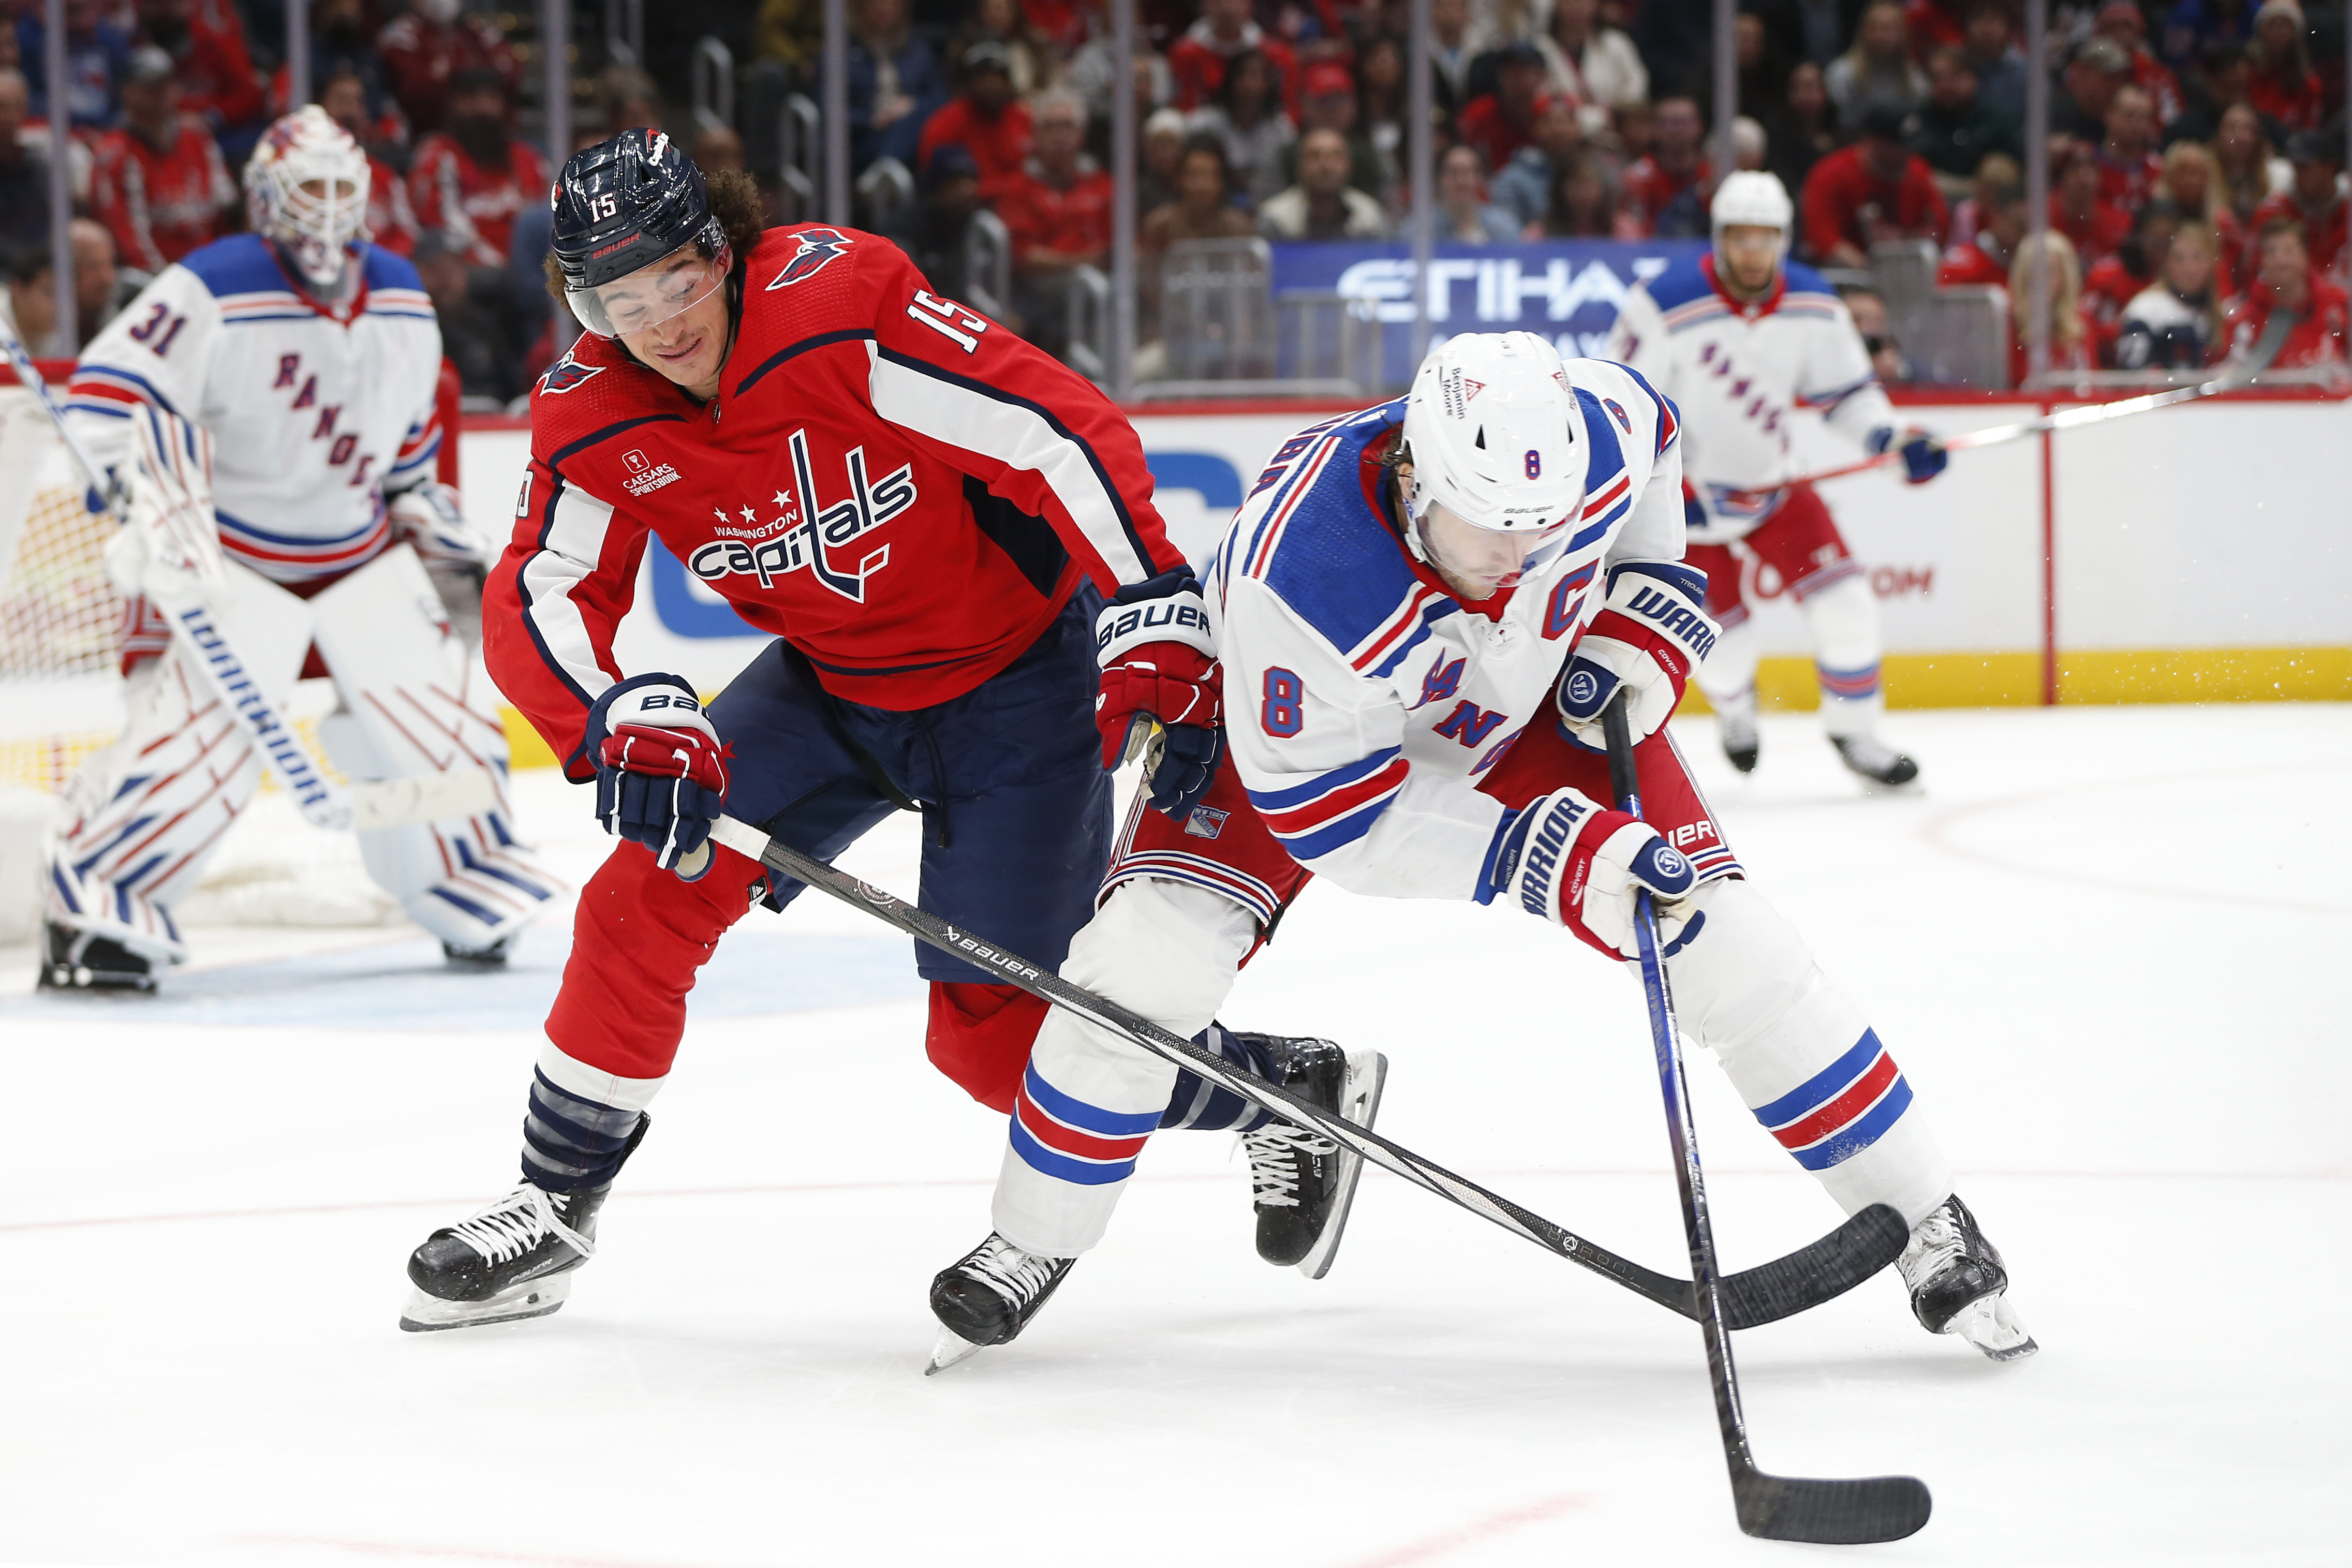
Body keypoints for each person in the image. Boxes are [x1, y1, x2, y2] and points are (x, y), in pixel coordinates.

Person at [397, 131, 1350, 1333]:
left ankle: (1275, 1088)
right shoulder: (591, 412)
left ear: (723, 247)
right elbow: (542, 586)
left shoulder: (838, 312)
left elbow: (1051, 428)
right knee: (640, 895)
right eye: (617, 298)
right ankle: (551, 1202)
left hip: (1014, 687)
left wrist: (1144, 589)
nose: (661, 320)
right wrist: (614, 709)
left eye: (681, 277)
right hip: (830, 686)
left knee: (995, 1054)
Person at [938, 326, 2035, 1366]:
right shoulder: (1305, 577)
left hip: (1523, 708)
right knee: (1139, 974)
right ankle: (1034, 1236)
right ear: (1414, 477)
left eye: (1538, 526)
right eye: (1485, 528)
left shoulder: (1590, 433)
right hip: (1298, 750)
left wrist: (1644, 604)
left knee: (1730, 946)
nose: (1515, 557)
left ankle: (1928, 1221)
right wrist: (1545, 858)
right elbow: (1341, 821)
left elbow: (1654, 438)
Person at [42, 107, 555, 992]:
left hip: (361, 553)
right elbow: (106, 390)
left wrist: (422, 505)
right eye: (306, 188)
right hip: (236, 559)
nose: (324, 208)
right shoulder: (212, 282)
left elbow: (403, 445)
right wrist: (129, 472)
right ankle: (98, 903)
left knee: (451, 735)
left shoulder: (399, 291)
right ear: (267, 196)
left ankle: (467, 881)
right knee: (201, 757)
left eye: (338, 188)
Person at [1610, 172, 1945, 787]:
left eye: (1765, 239)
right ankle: (1737, 709)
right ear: (1720, 239)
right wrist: (1659, 479)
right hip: (1686, 507)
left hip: (1775, 489)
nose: (1753, 254)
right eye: (1740, 239)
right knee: (1722, 648)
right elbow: (1618, 401)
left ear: (1783, 240)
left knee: (1848, 607)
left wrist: (1892, 441)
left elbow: (1848, 396)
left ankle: (1856, 734)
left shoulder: (1813, 304)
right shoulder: (1665, 304)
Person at [88, 47, 236, 275]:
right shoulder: (113, 155)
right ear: (128, 93)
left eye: (167, 85)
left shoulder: (198, 139)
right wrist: (169, 284)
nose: (162, 94)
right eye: (151, 88)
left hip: (210, 270)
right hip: (154, 282)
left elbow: (226, 216)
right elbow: (128, 242)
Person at [998, 91, 1110, 360]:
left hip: (1100, 286)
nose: (1061, 136)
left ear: (1082, 134)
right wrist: (1084, 261)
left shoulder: (1102, 185)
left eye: (1068, 126)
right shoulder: (1019, 187)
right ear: (1036, 134)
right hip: (1039, 292)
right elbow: (1025, 256)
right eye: (1051, 127)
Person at [407, 69, 550, 268]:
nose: (482, 108)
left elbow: (546, 220)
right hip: (466, 268)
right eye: (471, 97)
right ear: (454, 104)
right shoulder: (438, 154)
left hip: (526, 269)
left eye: (491, 98)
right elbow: (442, 226)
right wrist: (499, 264)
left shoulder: (528, 157)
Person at [1799, 103, 1950, 268]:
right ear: (1873, 142)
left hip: (1910, 272)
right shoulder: (1831, 174)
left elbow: (1939, 228)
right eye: (1899, 147)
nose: (1907, 155)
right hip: (1851, 279)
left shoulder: (1917, 170)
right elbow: (1825, 244)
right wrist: (1875, 272)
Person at [377, 0, 519, 139]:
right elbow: (418, 89)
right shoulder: (400, 35)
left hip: (494, 139)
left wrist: (449, 73)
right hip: (424, 135)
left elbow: (509, 75)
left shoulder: (477, 31)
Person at [2223, 217, 2350, 370]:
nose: (2280, 260)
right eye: (2271, 252)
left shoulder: (2341, 305)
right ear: (2262, 260)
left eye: (2288, 251)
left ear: (2305, 256)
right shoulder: (2243, 317)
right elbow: (2231, 377)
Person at [321, 65, 417, 258]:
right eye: (341, 100)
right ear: (320, 105)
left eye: (357, 102)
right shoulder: (304, 175)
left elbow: (409, 231)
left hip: (380, 270)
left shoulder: (383, 176)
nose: (350, 111)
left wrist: (383, 262)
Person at [916, 42, 1032, 197]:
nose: (993, 86)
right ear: (969, 84)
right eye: (984, 79)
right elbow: (937, 181)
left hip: (1019, 205)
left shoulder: (1023, 119)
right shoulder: (946, 122)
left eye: (999, 79)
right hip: (969, 210)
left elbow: (1040, 175)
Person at [846, 0, 945, 175]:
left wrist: (910, 105)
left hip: (913, 133)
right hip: (864, 138)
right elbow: (829, 110)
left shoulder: (919, 51)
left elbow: (939, 99)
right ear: (862, 9)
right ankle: (886, 173)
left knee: (913, 117)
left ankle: (884, 172)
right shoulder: (842, 53)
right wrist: (872, 119)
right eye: (876, 3)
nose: (884, 8)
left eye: (892, 3)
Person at [1185, 48, 1293, 206]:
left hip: (1270, 205)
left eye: (1259, 76)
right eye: (1245, 74)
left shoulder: (1280, 128)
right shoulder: (1204, 124)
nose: (1251, 83)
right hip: (1214, 206)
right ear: (1231, 79)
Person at [2116, 219, 2228, 366]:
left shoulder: (2223, 310)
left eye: (2198, 257)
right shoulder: (2146, 310)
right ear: (2167, 263)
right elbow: (2132, 375)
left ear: (2212, 263)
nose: (2190, 268)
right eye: (2179, 259)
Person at [2245, 130, 2344, 286]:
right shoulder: (2273, 211)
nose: (2298, 175)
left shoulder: (2348, 210)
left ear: (2330, 168)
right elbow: (2253, 273)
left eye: (2305, 168)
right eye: (2295, 167)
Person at [1912, 45, 2018, 186]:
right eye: (1937, 78)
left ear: (1973, 79)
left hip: (1983, 195)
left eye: (1953, 77)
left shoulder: (1995, 120)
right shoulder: (1918, 121)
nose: (1945, 85)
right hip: (1935, 190)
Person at [1257, 126, 1389, 240]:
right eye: (1315, 156)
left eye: (1336, 156)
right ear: (1299, 167)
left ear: (1349, 166)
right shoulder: (1275, 219)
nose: (1326, 166)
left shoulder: (1370, 216)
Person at [1169, 0, 1297, 113]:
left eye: (1236, 1)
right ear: (1205, 5)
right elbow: (1182, 104)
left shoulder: (1274, 55)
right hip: (1201, 128)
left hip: (1259, 126)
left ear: (1250, 5)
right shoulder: (1186, 53)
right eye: (1219, 2)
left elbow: (1288, 108)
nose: (1228, 9)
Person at [1535, 0, 1648, 126]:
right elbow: (1541, 96)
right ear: (1557, 5)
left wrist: (1617, 114)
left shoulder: (1616, 43)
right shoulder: (1541, 48)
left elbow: (1636, 87)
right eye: (1569, 2)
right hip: (1560, 130)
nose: (1578, 7)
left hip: (1615, 128)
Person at [2007, 228, 2096, 381]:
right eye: (2034, 270)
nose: (2041, 279)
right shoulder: (2008, 322)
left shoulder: (2081, 320)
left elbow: (2092, 380)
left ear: (2064, 276)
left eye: (2049, 270)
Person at [1620, 95, 1712, 239]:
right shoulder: (1638, 177)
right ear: (1655, 129)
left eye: (1683, 122)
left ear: (1700, 126)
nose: (1676, 130)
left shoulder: (1714, 174)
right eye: (1668, 123)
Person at [1488, 91, 1582, 231]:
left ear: (1578, 127)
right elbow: (1504, 233)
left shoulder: (1596, 174)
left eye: (1565, 121)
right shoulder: (1511, 180)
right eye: (1548, 121)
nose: (1557, 129)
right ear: (1535, 128)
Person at [1826, 0, 1929, 123]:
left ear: (1903, 34)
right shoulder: (1841, 74)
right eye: (1876, 28)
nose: (1883, 37)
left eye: (1890, 29)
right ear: (1864, 31)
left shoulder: (1915, 80)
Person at [1457, 42, 1547, 175]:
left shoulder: (1549, 115)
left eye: (1523, 70)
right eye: (1510, 70)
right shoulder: (1478, 113)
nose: (1517, 78)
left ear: (1541, 76)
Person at [0, 68, 54, 257]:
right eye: (1, 107)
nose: (6, 117)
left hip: (36, 274)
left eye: (14, 107)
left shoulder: (39, 168)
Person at [2245, 0, 2320, 132]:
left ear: (2296, 33)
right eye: (2272, 25)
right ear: (2262, 30)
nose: (2278, 31)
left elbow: (2310, 127)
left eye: (2284, 25)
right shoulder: (2246, 72)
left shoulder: (2309, 83)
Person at [1937, 174, 2028, 283]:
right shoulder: (1961, 265)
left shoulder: (2040, 269)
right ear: (1997, 217)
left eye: (2031, 229)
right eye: (2020, 227)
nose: (2025, 236)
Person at [1435, 141, 1519, 242]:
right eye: (1453, 172)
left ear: (1479, 178)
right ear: (1442, 179)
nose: (1461, 180)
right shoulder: (1421, 229)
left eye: (1467, 172)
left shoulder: (1504, 225)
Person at [1532, 150, 1623, 237]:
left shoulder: (1621, 229)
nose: (1582, 192)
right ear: (1561, 188)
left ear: (1604, 188)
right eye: (1576, 183)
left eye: (1588, 183)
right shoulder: (1541, 232)